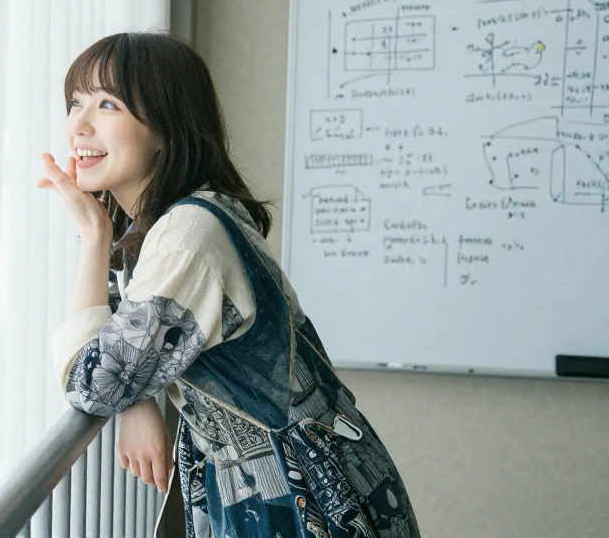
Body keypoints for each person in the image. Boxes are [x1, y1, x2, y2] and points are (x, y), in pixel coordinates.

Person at [37, 32, 419, 538]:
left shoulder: (187, 237)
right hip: (293, 478)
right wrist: (138, 400)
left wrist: (92, 236)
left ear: (165, 130)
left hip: (300, 494)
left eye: (108, 104)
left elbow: (95, 381)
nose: (78, 126)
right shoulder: (179, 219)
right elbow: (127, 337)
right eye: (76, 102)